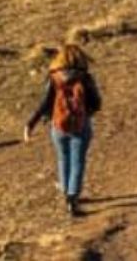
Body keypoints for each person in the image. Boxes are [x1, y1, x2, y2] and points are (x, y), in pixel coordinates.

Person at [23, 42, 102, 219]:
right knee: (78, 161)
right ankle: (72, 200)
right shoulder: (85, 78)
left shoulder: (53, 78)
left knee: (63, 158)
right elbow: (97, 103)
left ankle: (66, 192)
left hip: (58, 126)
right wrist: (85, 113)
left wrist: (31, 124)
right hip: (81, 126)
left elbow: (44, 103)